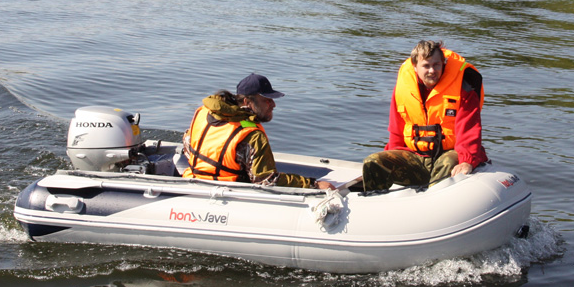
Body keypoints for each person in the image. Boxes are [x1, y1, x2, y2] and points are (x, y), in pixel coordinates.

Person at [361, 41, 488, 191]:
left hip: (450, 154)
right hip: (416, 156)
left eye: (437, 65)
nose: (432, 70)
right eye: (426, 66)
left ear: (444, 64)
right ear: (415, 66)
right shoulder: (403, 89)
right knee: (373, 161)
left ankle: (435, 207)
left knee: (447, 162)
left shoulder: (464, 88)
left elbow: (470, 129)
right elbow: (397, 128)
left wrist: (467, 161)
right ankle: (377, 203)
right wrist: (393, 155)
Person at [182, 73, 335, 190]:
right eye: (267, 100)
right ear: (247, 102)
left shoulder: (202, 112)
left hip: (191, 183)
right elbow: (266, 180)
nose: (273, 104)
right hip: (225, 192)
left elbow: (187, 146)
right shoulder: (252, 135)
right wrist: (313, 185)